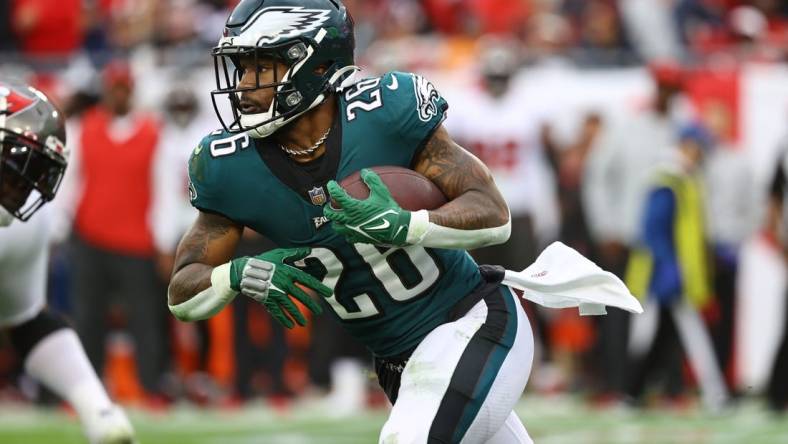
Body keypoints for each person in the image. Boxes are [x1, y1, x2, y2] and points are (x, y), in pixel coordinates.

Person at [168, 0, 536, 442]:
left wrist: (408, 224)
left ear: (315, 65)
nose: (243, 86)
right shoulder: (228, 167)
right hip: (398, 364)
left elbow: (494, 214)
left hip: (472, 320)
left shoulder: (386, 114)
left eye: (260, 67)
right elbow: (181, 291)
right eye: (242, 68)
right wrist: (234, 274)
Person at [0, 79, 135, 443]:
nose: (24, 187)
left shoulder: (22, 223)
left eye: (36, 173)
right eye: (15, 165)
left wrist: (96, 412)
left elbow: (24, 320)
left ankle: (102, 414)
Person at [624, 124, 729, 411]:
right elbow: (653, 229)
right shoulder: (669, 178)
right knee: (649, 337)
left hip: (672, 272)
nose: (702, 154)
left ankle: (634, 393)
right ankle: (632, 392)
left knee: (665, 336)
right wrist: (669, 265)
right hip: (658, 274)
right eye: (699, 147)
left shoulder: (682, 177)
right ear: (686, 144)